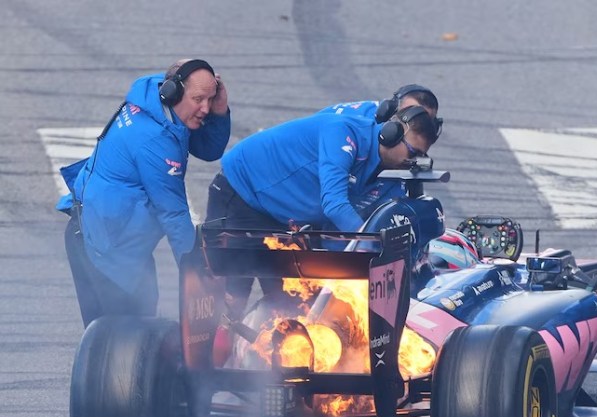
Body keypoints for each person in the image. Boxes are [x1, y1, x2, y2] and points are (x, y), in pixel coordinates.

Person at [204, 104, 441, 324]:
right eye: (412, 152)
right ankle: (201, 365)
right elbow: (335, 206)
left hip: (285, 217)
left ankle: (280, 365)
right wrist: (373, 249)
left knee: (292, 305)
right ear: (390, 134)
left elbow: (355, 228)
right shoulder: (342, 132)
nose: (412, 161)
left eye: (419, 156)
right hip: (243, 194)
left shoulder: (388, 169)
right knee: (229, 301)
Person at [61, 58, 231, 327]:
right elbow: (173, 214)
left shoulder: (158, 102)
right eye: (199, 99)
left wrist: (220, 112)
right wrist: (197, 276)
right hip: (104, 250)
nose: (205, 108)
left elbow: (209, 150)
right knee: (123, 342)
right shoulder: (155, 141)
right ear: (173, 91)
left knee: (126, 335)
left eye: (210, 99)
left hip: (105, 238)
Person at [318, 83, 442, 128]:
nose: (417, 124)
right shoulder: (362, 126)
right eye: (407, 116)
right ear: (388, 111)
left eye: (424, 122)